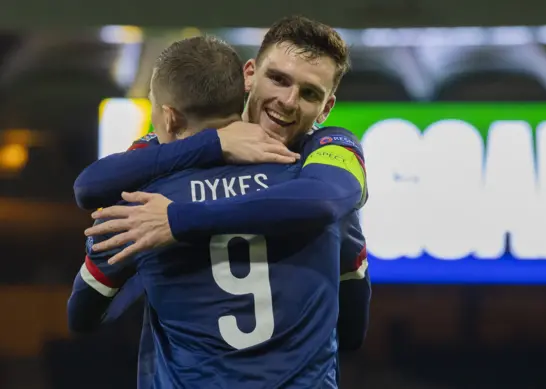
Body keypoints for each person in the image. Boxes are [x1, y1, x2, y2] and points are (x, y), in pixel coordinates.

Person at [69, 20, 369, 388]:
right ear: (249, 74)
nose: (288, 101)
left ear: (326, 107)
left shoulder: (327, 150)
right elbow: (88, 186)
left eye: (309, 93)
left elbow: (323, 200)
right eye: (278, 79)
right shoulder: (313, 171)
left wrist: (177, 219)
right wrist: (214, 144)